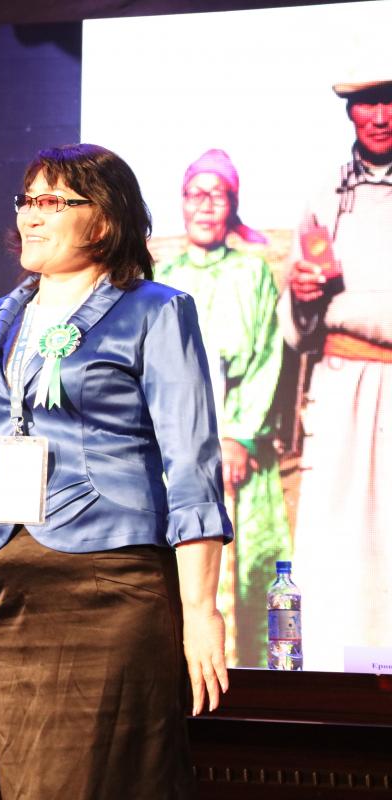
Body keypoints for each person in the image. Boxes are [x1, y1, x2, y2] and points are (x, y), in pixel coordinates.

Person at [0, 144, 231, 799]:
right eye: (26, 200)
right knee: (28, 781)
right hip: (11, 585)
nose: (30, 215)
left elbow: (191, 464)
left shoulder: (155, 310)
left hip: (111, 583)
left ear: (103, 221)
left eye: (52, 201)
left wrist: (200, 610)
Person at [154, 148, 290, 667]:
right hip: (173, 455)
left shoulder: (252, 273)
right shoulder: (162, 279)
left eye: (218, 195)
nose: (206, 205)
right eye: (196, 194)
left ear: (232, 205)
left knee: (247, 573)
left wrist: (237, 436)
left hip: (238, 453)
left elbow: (266, 357)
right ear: (182, 202)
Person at [278, 76, 392, 671]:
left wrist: (345, 307)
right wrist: (303, 299)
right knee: (336, 547)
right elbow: (298, 326)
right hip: (340, 386)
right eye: (367, 102)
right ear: (350, 110)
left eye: (390, 100)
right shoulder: (326, 195)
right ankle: (332, 687)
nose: (380, 115)